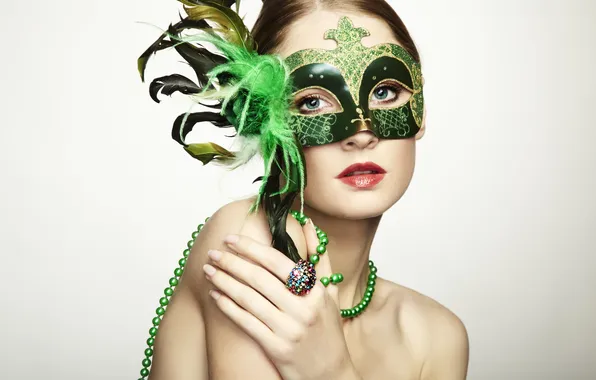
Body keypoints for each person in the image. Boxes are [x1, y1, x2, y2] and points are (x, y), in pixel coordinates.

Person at [136, 0, 469, 379]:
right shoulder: (250, 244)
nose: (362, 133)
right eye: (311, 101)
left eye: (385, 92)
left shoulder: (436, 336)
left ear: (420, 110)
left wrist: (333, 370)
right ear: (260, 118)